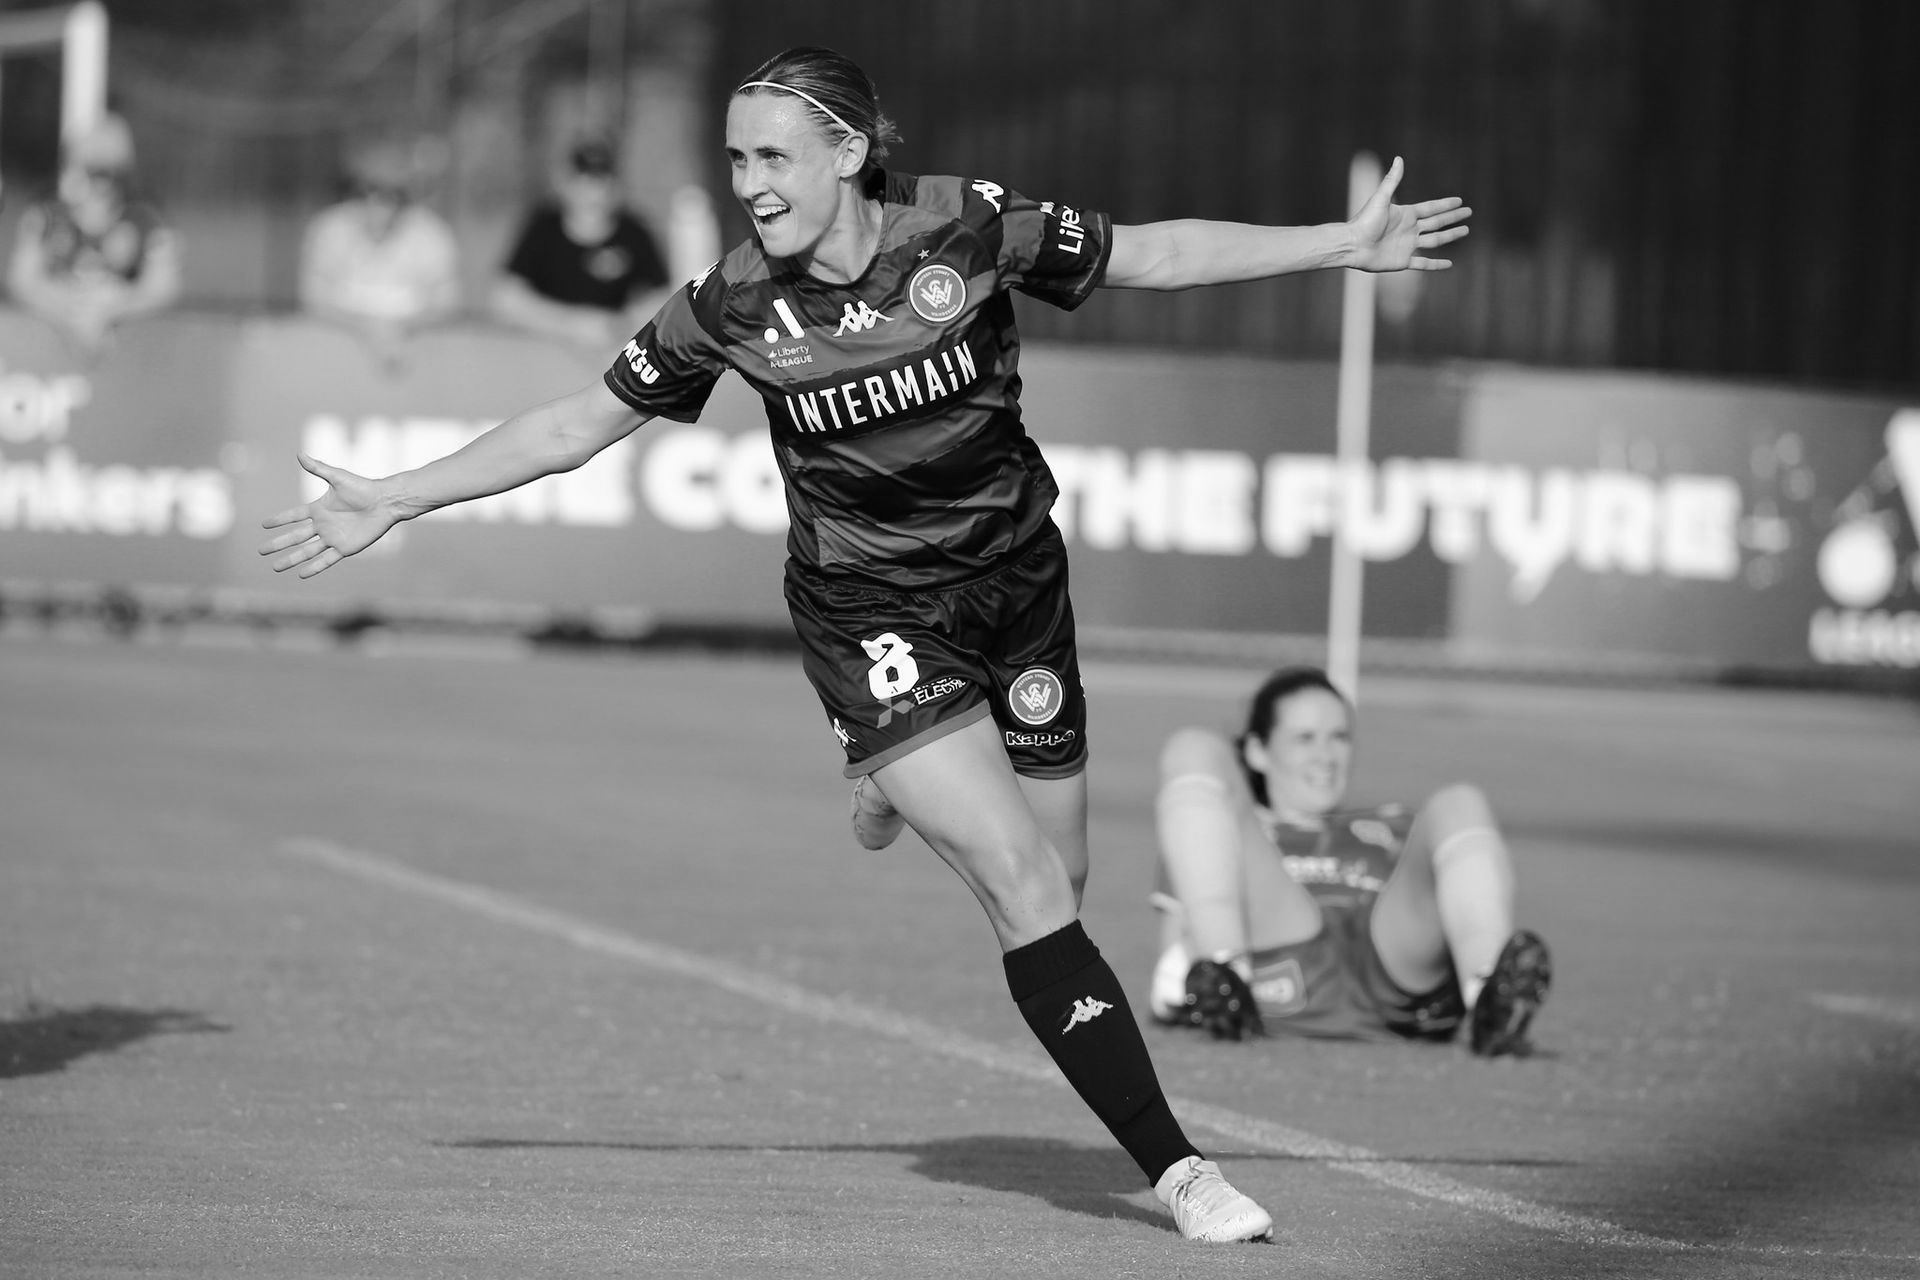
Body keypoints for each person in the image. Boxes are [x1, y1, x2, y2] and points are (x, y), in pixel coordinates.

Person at [259, 46, 1470, 1244]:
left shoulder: (968, 227)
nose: (751, 183)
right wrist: (400, 497)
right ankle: (1182, 1170)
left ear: (850, 152)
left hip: (1017, 588)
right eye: (736, 159)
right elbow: (578, 422)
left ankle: (887, 777)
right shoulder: (732, 302)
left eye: (774, 156)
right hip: (871, 616)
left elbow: (1151, 252)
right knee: (1024, 888)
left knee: (1069, 878)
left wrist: (1338, 243)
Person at [1147, 666, 1551, 1054]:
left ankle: (1488, 997)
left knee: (1460, 801)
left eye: (1339, 737)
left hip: (1393, 965)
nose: (1326, 755)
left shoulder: (1391, 823)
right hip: (1285, 954)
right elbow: (1168, 962)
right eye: (1304, 738)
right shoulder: (1220, 832)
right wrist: (1180, 978)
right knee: (1192, 747)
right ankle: (1226, 975)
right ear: (1257, 751)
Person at [5, 114, 181, 353]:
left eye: (110, 172)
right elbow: (21, 280)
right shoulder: (45, 215)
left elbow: (163, 287)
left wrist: (112, 307)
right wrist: (67, 311)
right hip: (44, 359)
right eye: (93, 170)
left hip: (128, 360)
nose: (102, 183)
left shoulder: (148, 222)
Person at [488, 138, 671, 349]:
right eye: (583, 180)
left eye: (599, 180)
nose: (591, 192)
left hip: (610, 353)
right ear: (565, 183)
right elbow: (505, 298)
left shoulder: (634, 231)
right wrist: (573, 324)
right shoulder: (543, 227)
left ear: (614, 186)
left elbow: (663, 299)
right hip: (545, 349)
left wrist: (620, 324)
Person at [298, 136, 460, 365]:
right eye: (367, 191)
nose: (378, 204)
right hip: (332, 362)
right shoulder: (330, 229)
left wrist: (399, 329)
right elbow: (314, 300)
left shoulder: (431, 234)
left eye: (391, 195)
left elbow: (446, 304)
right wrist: (366, 329)